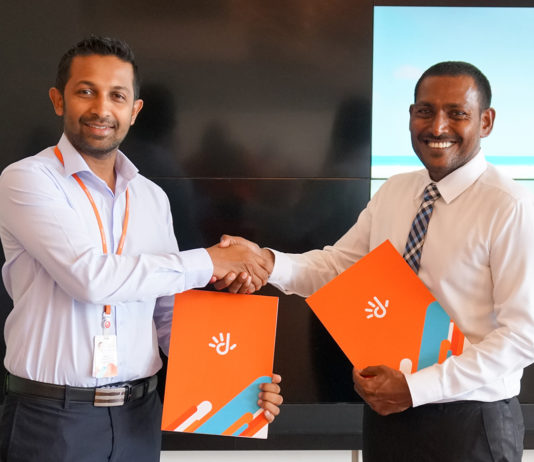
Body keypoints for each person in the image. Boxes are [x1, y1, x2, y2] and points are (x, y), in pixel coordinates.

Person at [217, 61, 534, 461]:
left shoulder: (511, 207)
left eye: (457, 113)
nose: (438, 126)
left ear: (485, 122)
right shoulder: (396, 191)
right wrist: (265, 261)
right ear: (411, 115)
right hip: (388, 414)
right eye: (425, 111)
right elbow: (339, 269)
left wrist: (415, 388)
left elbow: (522, 337)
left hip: (468, 422)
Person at [0, 36, 282, 462]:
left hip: (139, 417)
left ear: (134, 110)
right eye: (86, 91)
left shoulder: (151, 197)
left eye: (117, 96)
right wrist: (210, 261)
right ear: (59, 100)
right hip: (52, 421)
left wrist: (241, 382)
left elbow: (166, 315)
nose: (101, 108)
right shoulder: (28, 179)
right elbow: (90, 278)